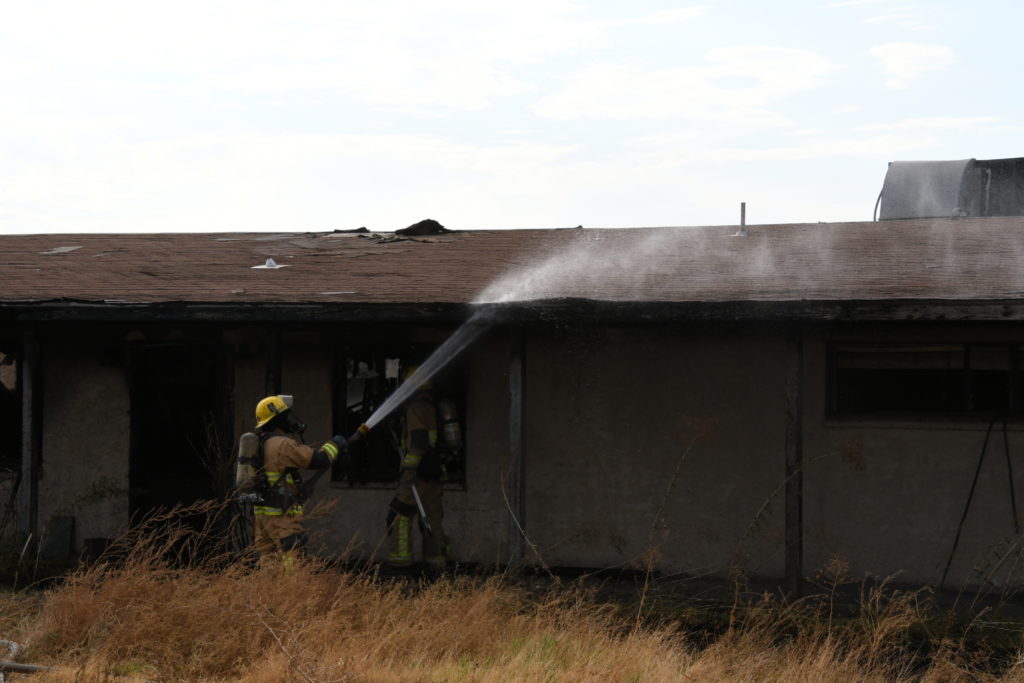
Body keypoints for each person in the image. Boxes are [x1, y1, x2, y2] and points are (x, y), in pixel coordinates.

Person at [241, 394, 348, 570]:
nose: (290, 420)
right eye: (286, 415)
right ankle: (292, 587)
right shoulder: (282, 445)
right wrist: (335, 444)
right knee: (292, 564)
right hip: (282, 517)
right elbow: (319, 460)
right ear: (278, 419)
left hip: (262, 516)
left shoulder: (258, 443)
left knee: (268, 564)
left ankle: (270, 589)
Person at [385, 371, 456, 574]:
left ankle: (400, 566)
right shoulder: (432, 406)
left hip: (418, 475)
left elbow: (418, 442)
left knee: (398, 515)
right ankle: (436, 565)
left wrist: (408, 469)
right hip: (435, 473)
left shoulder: (416, 408)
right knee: (432, 520)